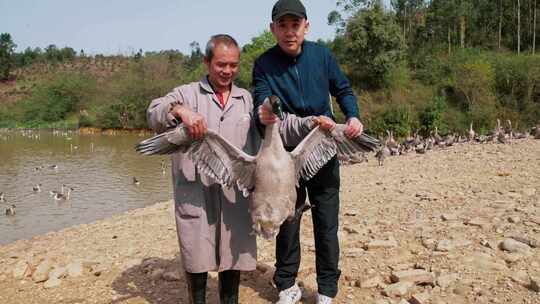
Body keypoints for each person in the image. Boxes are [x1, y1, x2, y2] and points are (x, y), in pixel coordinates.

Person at [252, 1, 364, 303]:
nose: (290, 32)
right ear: (273, 28)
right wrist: (263, 112)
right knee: (288, 221)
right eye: (283, 25)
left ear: (306, 26)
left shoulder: (322, 55)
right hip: (286, 158)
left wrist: (352, 116)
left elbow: (343, 89)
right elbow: (261, 101)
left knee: (326, 224)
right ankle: (286, 285)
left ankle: (326, 290)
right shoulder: (263, 63)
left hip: (323, 152)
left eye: (295, 25)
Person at [146, 34, 258, 304]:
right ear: (206, 62)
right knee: (196, 262)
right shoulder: (186, 93)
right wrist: (180, 112)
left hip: (234, 197)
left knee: (233, 262)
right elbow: (154, 112)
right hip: (195, 193)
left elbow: (270, 132)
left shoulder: (248, 100)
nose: (227, 71)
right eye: (221, 64)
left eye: (233, 65)